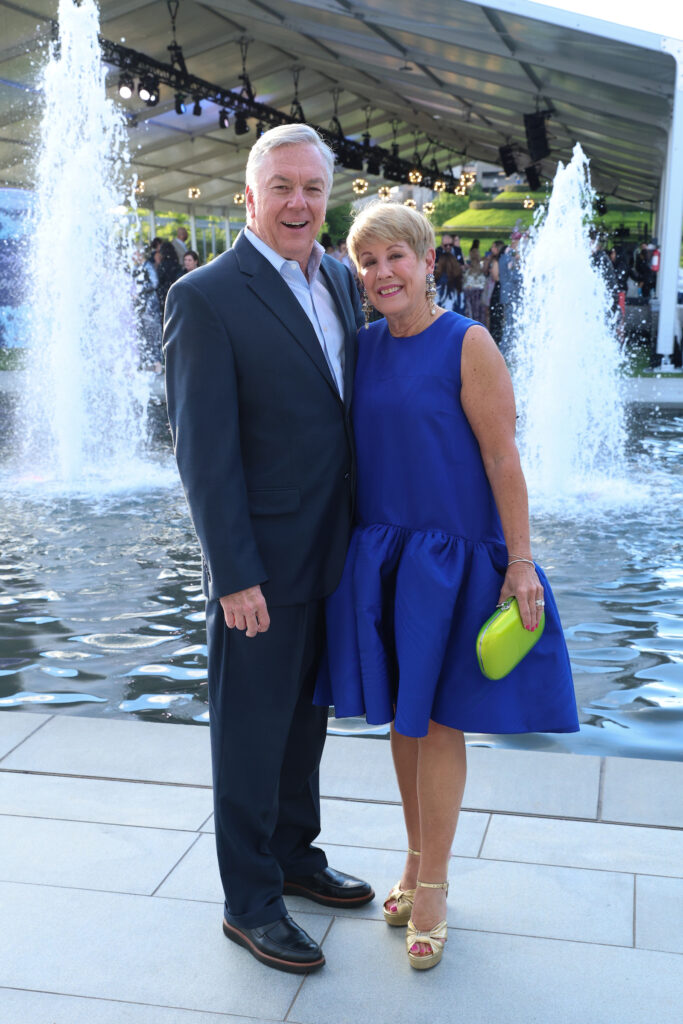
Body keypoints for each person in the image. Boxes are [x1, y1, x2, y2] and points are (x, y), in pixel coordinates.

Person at [314, 202, 579, 971]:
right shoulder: (361, 347)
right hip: (385, 558)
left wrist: (520, 563)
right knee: (404, 719)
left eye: (396, 256)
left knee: (437, 723)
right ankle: (412, 856)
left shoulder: (468, 343)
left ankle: (432, 884)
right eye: (367, 263)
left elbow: (504, 461)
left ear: (430, 262)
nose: (382, 274)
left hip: (453, 560)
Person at [163, 123, 371, 976]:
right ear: (249, 195)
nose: (297, 202)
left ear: (328, 199)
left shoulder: (344, 282)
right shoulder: (207, 295)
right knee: (249, 732)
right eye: (281, 186)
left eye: (312, 189)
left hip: (334, 549)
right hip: (260, 562)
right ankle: (249, 900)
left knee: (304, 720)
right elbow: (200, 452)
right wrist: (233, 572)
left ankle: (293, 854)